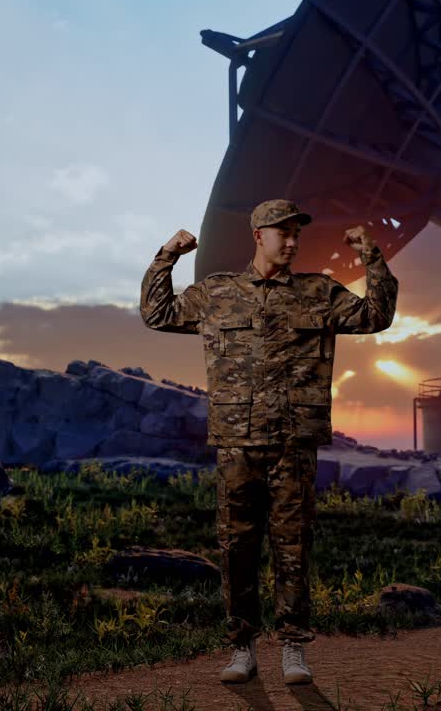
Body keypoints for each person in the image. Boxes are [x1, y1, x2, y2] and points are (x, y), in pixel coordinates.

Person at [140, 199, 398, 685]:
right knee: (237, 546)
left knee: (293, 546)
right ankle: (242, 647)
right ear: (258, 235)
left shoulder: (318, 291)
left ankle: (293, 649)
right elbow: (157, 313)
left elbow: (376, 316)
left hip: (293, 442)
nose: (293, 240)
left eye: (298, 232)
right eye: (284, 232)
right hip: (237, 442)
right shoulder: (218, 293)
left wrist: (372, 256)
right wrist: (167, 256)